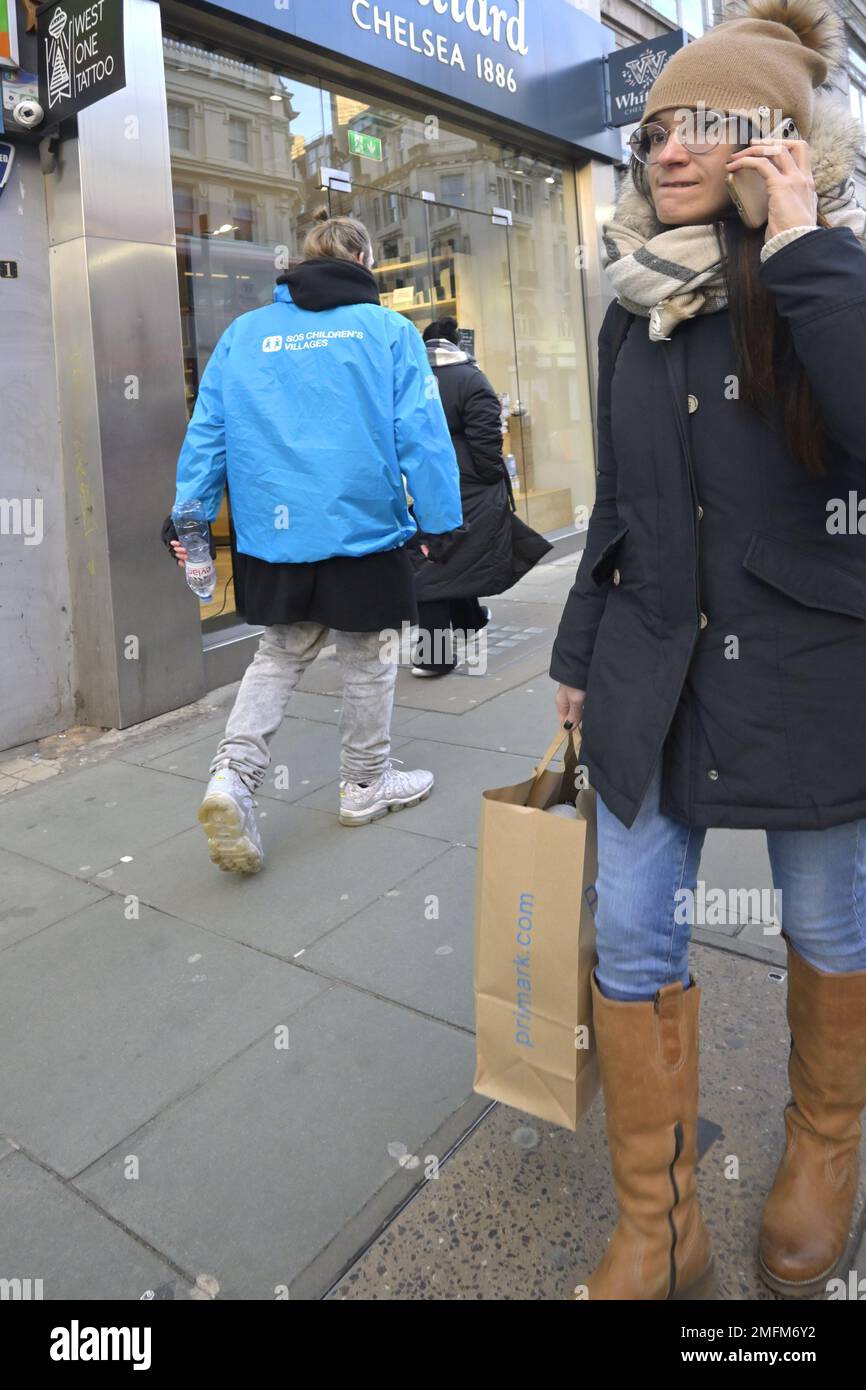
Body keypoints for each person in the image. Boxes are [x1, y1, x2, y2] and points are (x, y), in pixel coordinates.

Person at [550, 0, 866, 1301]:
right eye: (653, 127)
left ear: (771, 140)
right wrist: (573, 655)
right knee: (629, 930)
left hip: (806, 669)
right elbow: (618, 507)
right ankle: (658, 1217)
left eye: (699, 128)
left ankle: (823, 1149)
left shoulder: (822, 270)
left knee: (824, 917)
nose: (661, 147)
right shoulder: (631, 298)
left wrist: (796, 245)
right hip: (648, 664)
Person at [164, 210, 462, 872]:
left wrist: (189, 515)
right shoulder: (387, 330)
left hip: (276, 537)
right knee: (368, 654)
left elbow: (207, 430)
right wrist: (441, 519)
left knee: (277, 655)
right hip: (364, 529)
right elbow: (420, 429)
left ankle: (232, 781)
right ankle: (364, 783)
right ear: (363, 260)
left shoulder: (245, 334)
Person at [408, 317, 544, 675]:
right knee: (436, 565)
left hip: (421, 479)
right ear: (457, 344)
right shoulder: (471, 378)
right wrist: (486, 475)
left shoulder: (410, 377)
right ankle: (433, 656)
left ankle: (469, 619)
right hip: (466, 481)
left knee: (445, 550)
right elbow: (486, 437)